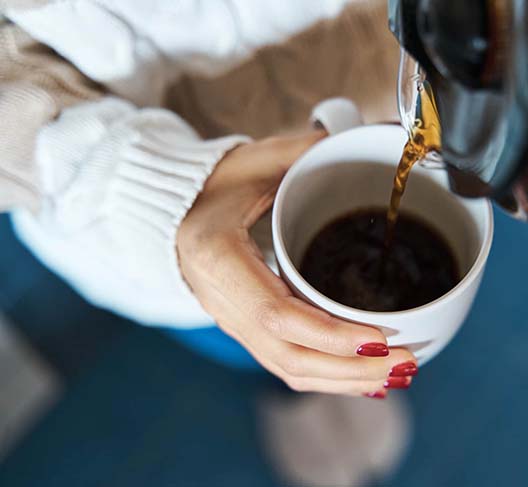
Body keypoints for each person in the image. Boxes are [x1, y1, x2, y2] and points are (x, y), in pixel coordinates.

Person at [0, 0, 419, 398]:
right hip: (131, 231)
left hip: (390, 88)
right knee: (246, 337)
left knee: (304, 343)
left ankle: (322, 379)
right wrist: (156, 192)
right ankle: (288, 390)